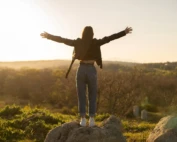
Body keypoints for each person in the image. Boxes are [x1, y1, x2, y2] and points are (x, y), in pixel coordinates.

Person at [40, 26, 132, 127]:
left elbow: (62, 40)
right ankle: (92, 119)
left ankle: (83, 119)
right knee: (92, 95)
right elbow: (110, 38)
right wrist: (124, 32)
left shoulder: (78, 42)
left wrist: (48, 36)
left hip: (81, 69)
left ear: (82, 33)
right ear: (92, 34)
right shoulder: (95, 42)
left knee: (81, 95)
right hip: (91, 70)